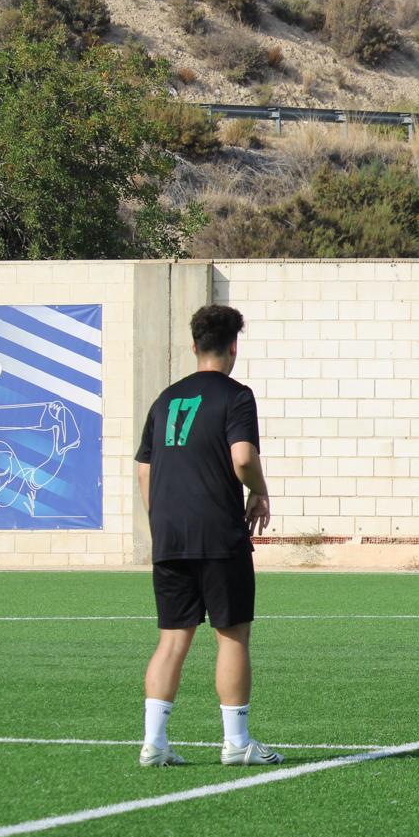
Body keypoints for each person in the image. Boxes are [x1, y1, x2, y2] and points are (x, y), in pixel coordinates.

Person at [134, 305, 279, 768]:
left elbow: (144, 468)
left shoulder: (165, 399)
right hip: (218, 533)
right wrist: (259, 491)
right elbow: (243, 458)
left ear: (194, 345)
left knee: (172, 639)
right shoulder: (237, 396)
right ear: (234, 346)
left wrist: (162, 519)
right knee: (231, 636)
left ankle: (154, 742)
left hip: (169, 536)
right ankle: (236, 742)